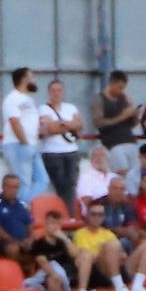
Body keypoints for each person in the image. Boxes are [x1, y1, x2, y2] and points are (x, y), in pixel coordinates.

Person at [74, 203, 146, 291]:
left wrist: (118, 256)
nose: (97, 217)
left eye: (100, 215)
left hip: (119, 268)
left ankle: (137, 286)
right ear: (87, 215)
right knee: (110, 246)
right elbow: (87, 256)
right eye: (93, 214)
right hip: (99, 271)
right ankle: (119, 288)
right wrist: (107, 251)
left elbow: (122, 255)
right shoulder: (80, 233)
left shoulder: (108, 233)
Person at [1, 67, 49, 204]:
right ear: (24, 79)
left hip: (31, 145)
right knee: (23, 182)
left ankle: (23, 206)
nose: (34, 80)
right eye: (31, 76)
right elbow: (14, 121)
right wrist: (24, 142)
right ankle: (21, 208)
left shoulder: (27, 99)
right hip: (17, 145)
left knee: (42, 180)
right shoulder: (13, 98)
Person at [39, 79, 83, 209]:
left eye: (59, 90)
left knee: (71, 184)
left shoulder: (71, 107)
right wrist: (70, 125)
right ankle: (65, 214)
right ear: (48, 93)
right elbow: (49, 128)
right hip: (52, 153)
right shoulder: (43, 108)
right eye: (53, 90)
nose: (56, 93)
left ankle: (68, 214)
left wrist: (60, 124)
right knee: (60, 185)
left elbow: (79, 126)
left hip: (71, 151)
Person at [26, 211, 89, 291]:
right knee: (54, 280)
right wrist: (54, 275)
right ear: (46, 225)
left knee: (84, 254)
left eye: (57, 224)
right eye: (52, 223)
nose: (55, 227)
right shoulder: (38, 243)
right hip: (50, 274)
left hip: (68, 273)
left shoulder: (63, 241)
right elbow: (43, 262)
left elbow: (76, 255)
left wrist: (65, 239)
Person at [93, 70, 140, 175]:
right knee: (122, 174)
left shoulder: (125, 98)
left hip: (131, 141)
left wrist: (134, 115)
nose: (121, 91)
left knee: (136, 175)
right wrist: (121, 117)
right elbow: (98, 122)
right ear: (111, 84)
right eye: (119, 88)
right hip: (113, 144)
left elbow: (133, 124)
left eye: (123, 88)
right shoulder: (99, 99)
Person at [0, 174, 34, 260]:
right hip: (2, 243)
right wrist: (16, 242)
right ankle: (15, 273)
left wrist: (30, 240)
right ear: (3, 187)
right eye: (9, 187)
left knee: (44, 246)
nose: (12, 190)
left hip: (22, 242)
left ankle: (42, 273)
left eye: (15, 187)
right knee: (13, 249)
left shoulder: (23, 205)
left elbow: (29, 226)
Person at [76, 145, 114, 211]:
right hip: (95, 213)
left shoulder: (115, 177)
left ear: (108, 159)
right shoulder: (85, 178)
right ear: (90, 160)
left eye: (102, 155)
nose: (98, 158)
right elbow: (87, 200)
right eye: (94, 156)